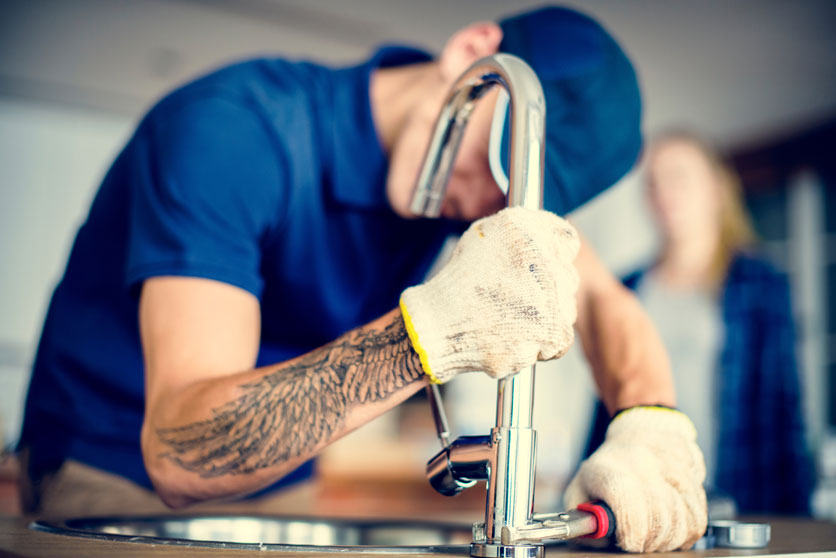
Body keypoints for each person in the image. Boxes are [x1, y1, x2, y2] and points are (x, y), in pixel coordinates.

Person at [19, 6, 706, 552]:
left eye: (512, 196)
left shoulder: (463, 188)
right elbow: (182, 451)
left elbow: (605, 303)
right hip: (106, 465)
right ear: (471, 56)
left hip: (280, 476)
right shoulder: (234, 131)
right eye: (496, 161)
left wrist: (650, 426)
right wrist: (428, 334)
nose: (482, 203)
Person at [585, 130, 814, 515]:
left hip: (740, 502)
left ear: (716, 189)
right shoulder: (626, 288)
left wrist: (797, 521)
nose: (663, 192)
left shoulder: (760, 284)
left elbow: (783, 411)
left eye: (678, 177)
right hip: (646, 505)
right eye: (653, 182)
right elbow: (605, 409)